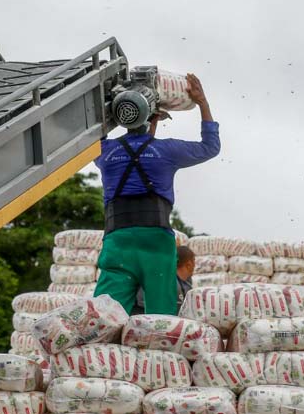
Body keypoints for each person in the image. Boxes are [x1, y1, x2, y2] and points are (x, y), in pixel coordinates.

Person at [94, 74, 219, 315]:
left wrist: (114, 103)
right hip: (156, 241)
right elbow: (210, 147)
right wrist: (201, 102)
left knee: (103, 315)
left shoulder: (105, 153)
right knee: (160, 316)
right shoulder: (166, 151)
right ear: (152, 118)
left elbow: (95, 132)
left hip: (117, 240)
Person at [175, 245, 195, 310]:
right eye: (194, 261)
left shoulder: (186, 284)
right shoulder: (174, 285)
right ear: (189, 264)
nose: (195, 266)